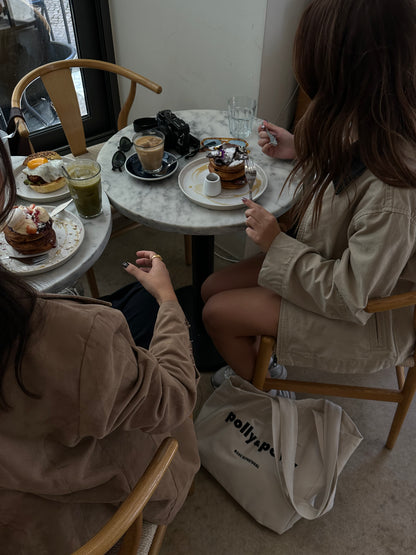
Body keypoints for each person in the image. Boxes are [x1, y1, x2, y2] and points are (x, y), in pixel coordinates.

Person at [0, 139, 200, 553]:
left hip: (22, 526)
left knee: (128, 307)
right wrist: (168, 300)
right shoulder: (69, 337)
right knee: (149, 306)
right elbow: (175, 398)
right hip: (93, 516)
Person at [202, 0, 416, 387]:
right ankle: (259, 357)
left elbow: (352, 296)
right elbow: (356, 154)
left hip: (368, 313)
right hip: (329, 261)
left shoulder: (395, 194)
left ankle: (264, 390)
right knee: (210, 287)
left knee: (217, 313)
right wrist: (301, 146)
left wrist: (275, 243)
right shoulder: (377, 117)